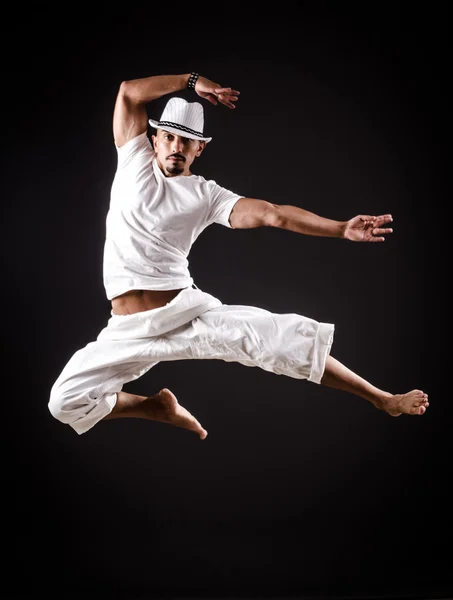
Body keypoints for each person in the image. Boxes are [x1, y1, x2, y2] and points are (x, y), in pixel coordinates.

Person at [48, 71, 429, 439]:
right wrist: (192, 82)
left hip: (183, 314)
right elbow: (129, 92)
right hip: (125, 329)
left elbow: (272, 213)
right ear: (155, 138)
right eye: (169, 137)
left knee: (278, 340)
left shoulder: (207, 195)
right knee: (63, 402)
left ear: (201, 148)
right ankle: (156, 408)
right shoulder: (132, 160)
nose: (177, 147)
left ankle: (383, 399)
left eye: (187, 142)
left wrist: (340, 227)